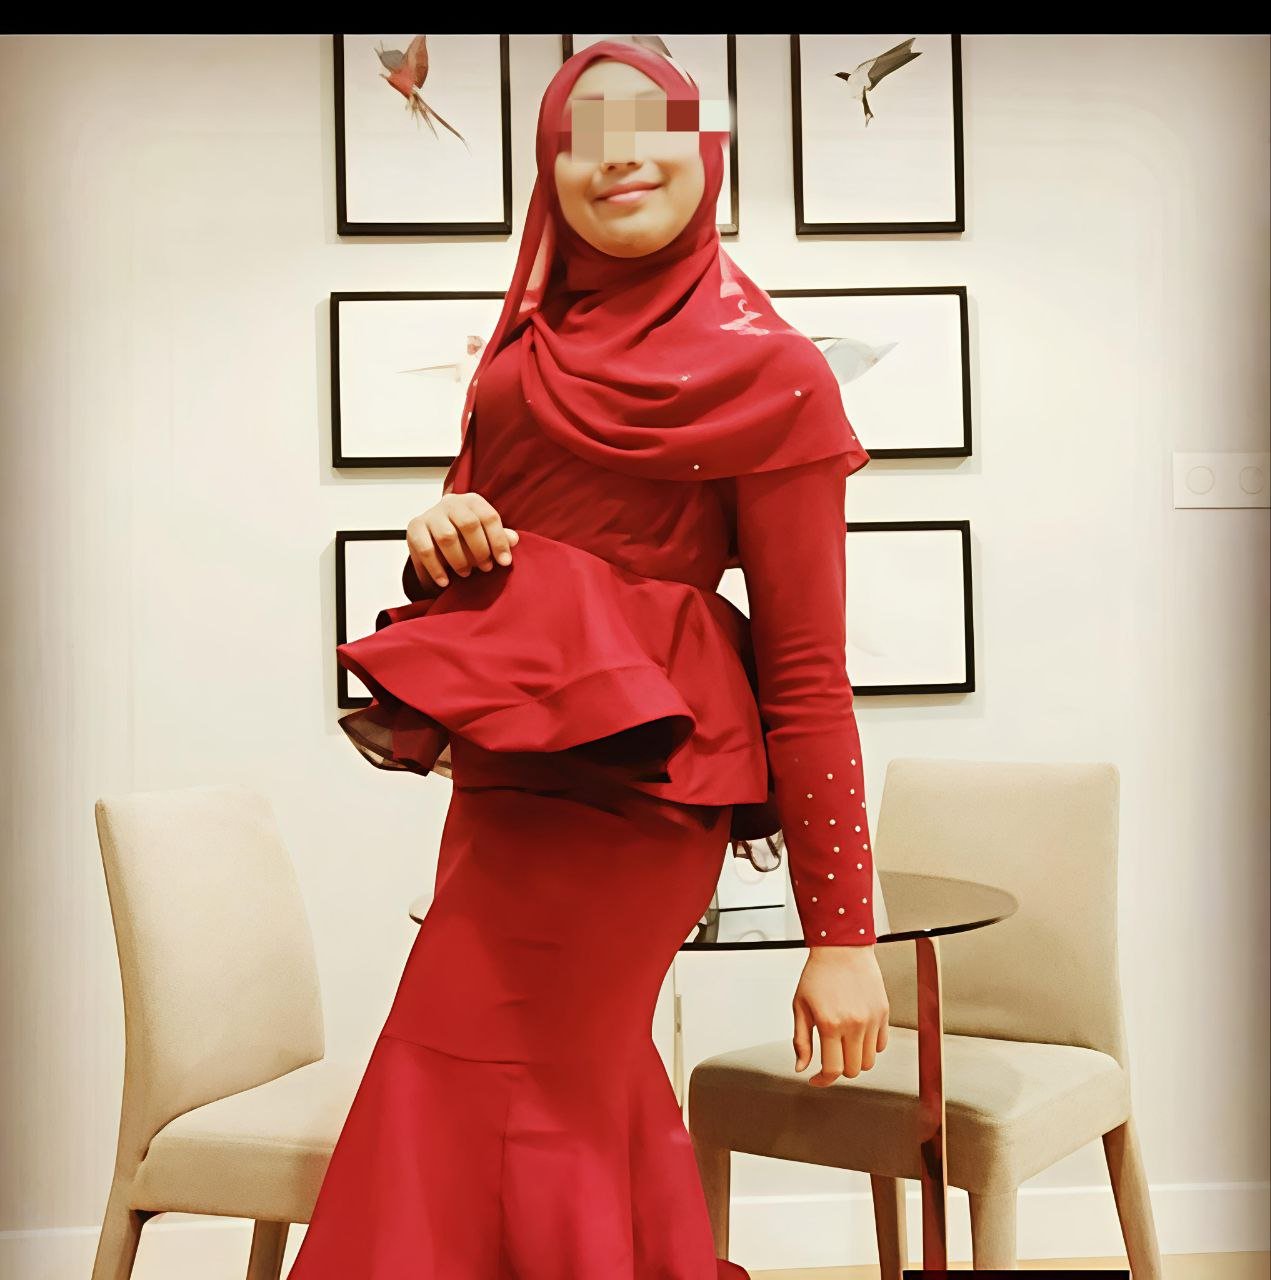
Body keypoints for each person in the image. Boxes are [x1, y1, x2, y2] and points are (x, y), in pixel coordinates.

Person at [290, 40, 889, 1280]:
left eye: (648, 127)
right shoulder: (517, 368)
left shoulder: (774, 375)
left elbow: (805, 675)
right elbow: (493, 585)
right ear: (547, 173)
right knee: (554, 1092)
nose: (617, 156)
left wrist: (842, 936)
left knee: (484, 1084)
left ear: (704, 154)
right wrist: (439, 537)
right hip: (504, 786)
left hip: (641, 800)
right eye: (581, 134)